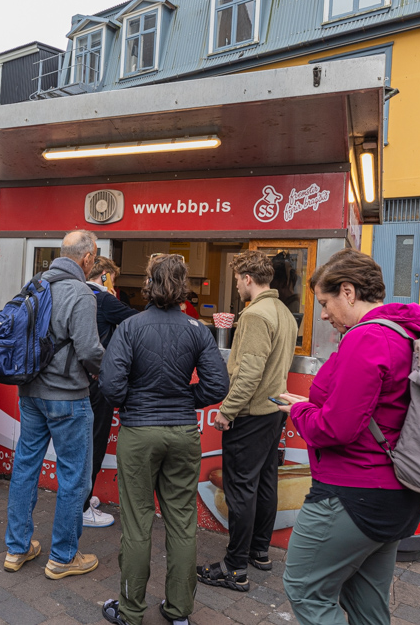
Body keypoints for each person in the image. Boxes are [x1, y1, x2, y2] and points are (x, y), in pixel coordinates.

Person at [276, 249, 420, 625]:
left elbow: (336, 429)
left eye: (325, 303)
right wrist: (313, 406)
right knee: (367, 603)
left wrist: (300, 411)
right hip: (394, 492)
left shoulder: (367, 339)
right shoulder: (402, 333)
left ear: (348, 291)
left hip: (352, 493)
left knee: (304, 588)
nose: (324, 314)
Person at [98, 253, 229, 625]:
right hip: (183, 432)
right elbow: (219, 384)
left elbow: (110, 385)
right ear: (183, 285)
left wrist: (136, 402)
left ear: (148, 283)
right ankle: (178, 612)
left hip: (139, 431)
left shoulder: (130, 327)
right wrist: (186, 399)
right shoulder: (197, 329)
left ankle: (130, 611)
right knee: (182, 522)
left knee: (138, 522)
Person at [2, 230, 105, 580]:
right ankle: (63, 556)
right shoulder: (81, 293)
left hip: (30, 394)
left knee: (26, 467)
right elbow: (90, 350)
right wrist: (101, 374)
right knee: (73, 476)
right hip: (68, 399)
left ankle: (16, 549)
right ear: (88, 258)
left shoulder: (35, 284)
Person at [199, 250, 298, 591]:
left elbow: (249, 372)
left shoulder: (256, 315)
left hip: (251, 414)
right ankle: (259, 551)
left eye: (239, 280)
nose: (238, 285)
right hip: (273, 413)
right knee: (265, 483)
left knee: (241, 489)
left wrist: (227, 412)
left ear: (247, 279)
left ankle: (235, 567)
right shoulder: (284, 312)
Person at [83, 256, 137, 528]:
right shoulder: (103, 299)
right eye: (112, 277)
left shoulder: (77, 293)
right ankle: (82, 506)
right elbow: (139, 322)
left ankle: (81, 498)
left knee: (80, 442)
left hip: (74, 380)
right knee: (94, 441)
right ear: (104, 275)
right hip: (96, 382)